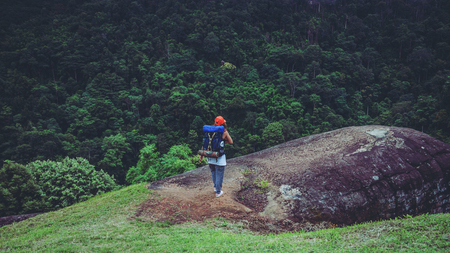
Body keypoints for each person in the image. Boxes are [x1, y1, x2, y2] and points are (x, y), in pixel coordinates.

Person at [207, 116, 233, 198]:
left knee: (213, 172)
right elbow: (231, 142)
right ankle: (218, 192)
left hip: (210, 156)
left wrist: (201, 155)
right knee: (219, 174)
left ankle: (215, 187)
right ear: (223, 123)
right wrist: (226, 134)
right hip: (219, 158)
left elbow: (206, 142)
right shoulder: (224, 132)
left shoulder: (209, 130)